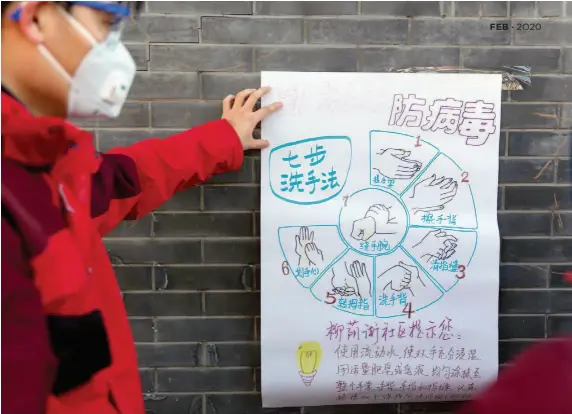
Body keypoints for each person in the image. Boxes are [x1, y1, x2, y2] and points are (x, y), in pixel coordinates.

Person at [1, 2, 281, 414]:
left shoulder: (45, 167)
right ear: (36, 17)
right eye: (106, 25)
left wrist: (223, 140)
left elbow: (123, 182)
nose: (115, 51)